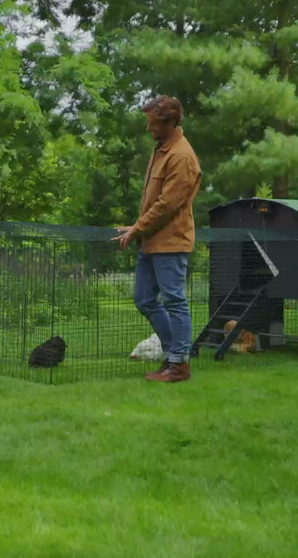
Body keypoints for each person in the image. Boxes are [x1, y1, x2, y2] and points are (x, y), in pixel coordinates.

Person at [113, 95, 202, 383]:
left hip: (171, 242)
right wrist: (137, 226)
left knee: (175, 300)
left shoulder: (181, 156)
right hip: (151, 240)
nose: (149, 129)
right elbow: (154, 202)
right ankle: (171, 353)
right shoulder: (162, 149)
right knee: (143, 298)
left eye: (153, 124)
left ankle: (179, 365)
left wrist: (137, 229)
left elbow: (167, 205)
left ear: (171, 122)